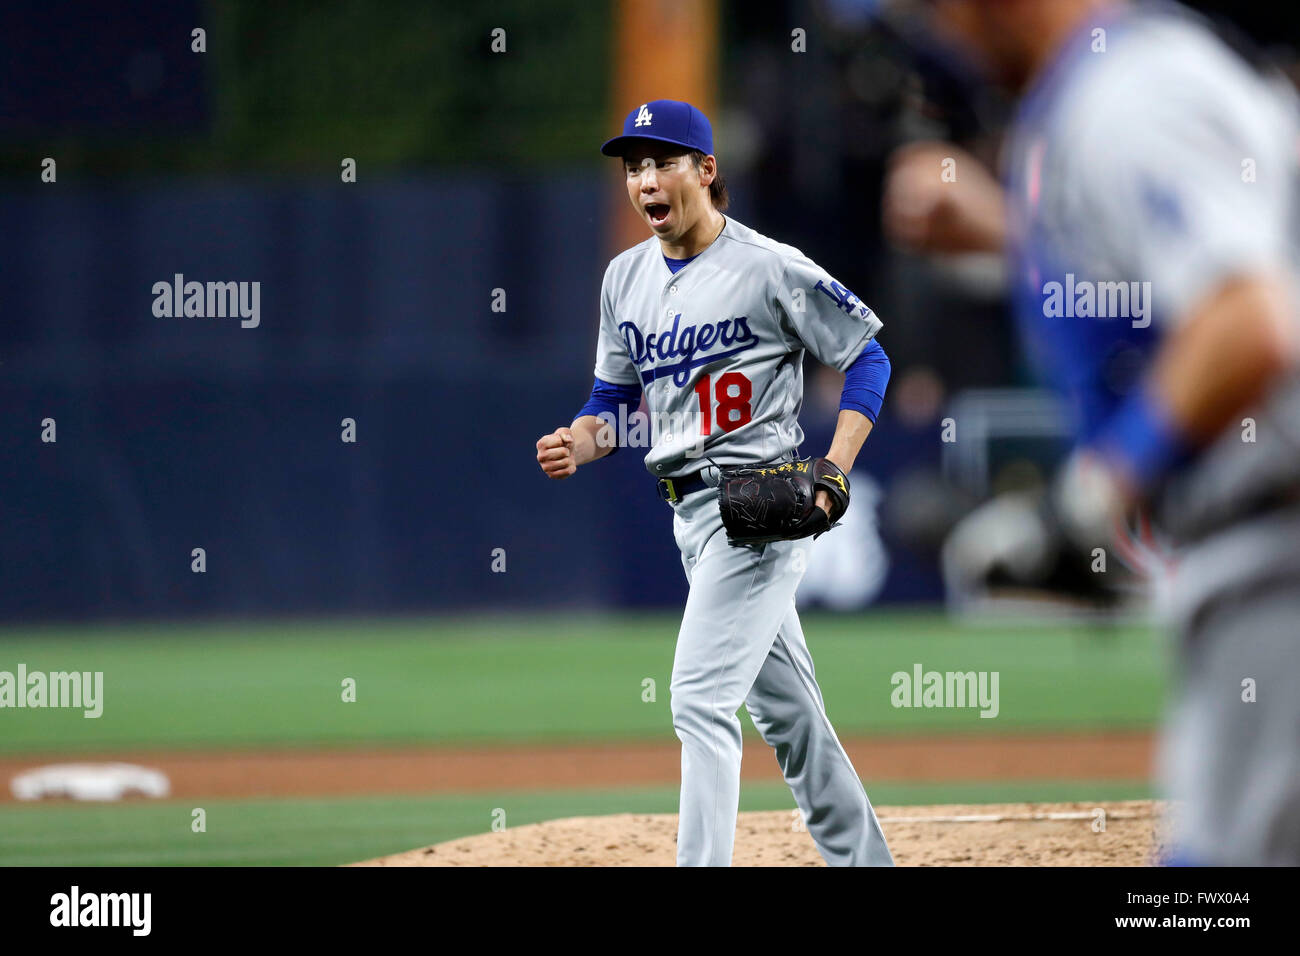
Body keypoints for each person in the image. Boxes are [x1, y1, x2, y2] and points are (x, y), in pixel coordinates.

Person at [885, 0, 1300, 864]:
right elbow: (1168, 285)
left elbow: (1248, 323)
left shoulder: (1130, 93)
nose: (937, 36)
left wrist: (1089, 503)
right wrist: (1012, 232)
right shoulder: (1111, 89)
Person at [535, 99, 894, 866]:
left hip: (760, 509)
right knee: (794, 721)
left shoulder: (768, 266)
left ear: (706, 170)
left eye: (662, 161)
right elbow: (611, 403)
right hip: (689, 517)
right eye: (634, 166)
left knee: (699, 699)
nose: (645, 179)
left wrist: (836, 466)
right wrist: (579, 442)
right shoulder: (623, 279)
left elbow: (867, 357)